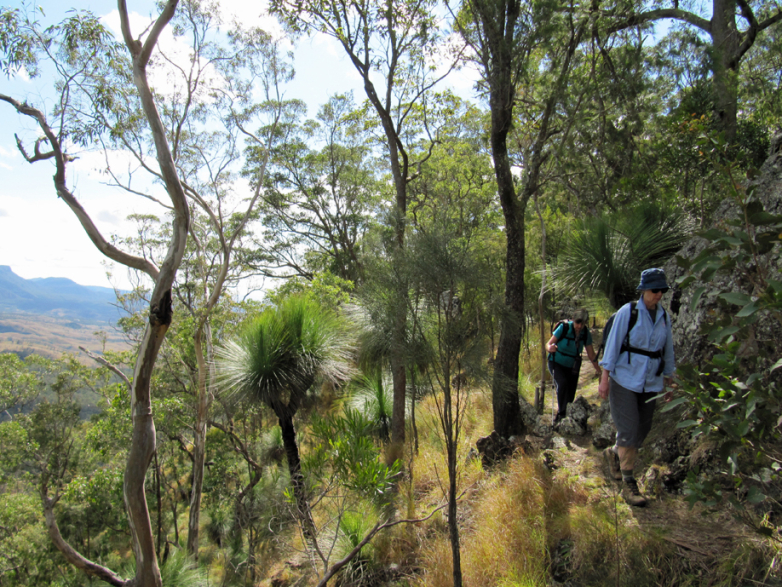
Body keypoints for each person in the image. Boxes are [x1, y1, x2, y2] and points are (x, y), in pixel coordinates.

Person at [598, 268, 675, 507]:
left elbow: (668, 350)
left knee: (641, 430)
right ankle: (629, 485)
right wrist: (604, 378)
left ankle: (613, 453)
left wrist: (670, 379)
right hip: (624, 380)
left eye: (662, 290)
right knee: (629, 430)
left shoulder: (663, 317)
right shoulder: (627, 313)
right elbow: (612, 346)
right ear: (644, 290)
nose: (659, 294)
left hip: (651, 382)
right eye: (655, 290)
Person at [546, 308, 601, 426]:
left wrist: (601, 371)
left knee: (570, 395)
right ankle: (560, 415)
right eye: (577, 322)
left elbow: (591, 355)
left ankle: (567, 418)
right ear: (573, 320)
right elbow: (548, 344)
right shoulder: (564, 328)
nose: (579, 326)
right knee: (562, 384)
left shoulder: (585, 334)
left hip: (572, 368)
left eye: (582, 323)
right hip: (556, 363)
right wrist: (550, 348)